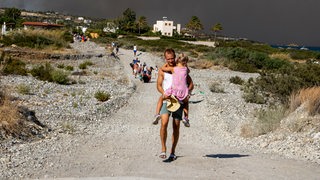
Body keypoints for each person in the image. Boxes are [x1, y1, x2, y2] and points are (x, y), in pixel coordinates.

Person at [155, 48, 194, 160]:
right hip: (167, 99)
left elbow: (191, 83)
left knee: (176, 126)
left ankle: (172, 152)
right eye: (168, 59)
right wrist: (163, 93)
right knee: (164, 123)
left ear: (175, 57)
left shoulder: (180, 67)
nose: (171, 60)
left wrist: (188, 93)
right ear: (165, 58)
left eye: (172, 58)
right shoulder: (163, 70)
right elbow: (158, 85)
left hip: (179, 101)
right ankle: (163, 149)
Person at [153, 53, 191, 127]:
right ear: (186, 62)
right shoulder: (186, 69)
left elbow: (162, 68)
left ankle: (157, 114)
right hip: (183, 91)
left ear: (177, 59)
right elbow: (188, 72)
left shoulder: (173, 69)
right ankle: (186, 118)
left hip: (174, 90)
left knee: (161, 98)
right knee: (186, 103)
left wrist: (166, 63)